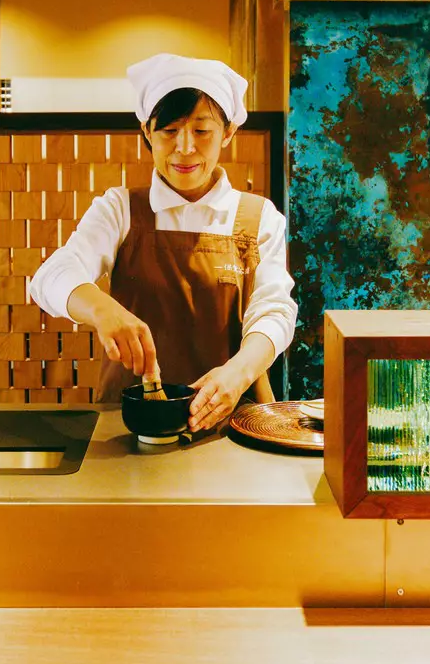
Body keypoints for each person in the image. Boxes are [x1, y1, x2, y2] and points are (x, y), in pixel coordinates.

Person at [26, 53, 296, 431]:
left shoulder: (258, 216)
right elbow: (51, 275)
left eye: (202, 131)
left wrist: (238, 373)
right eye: (169, 131)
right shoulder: (120, 209)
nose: (185, 148)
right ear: (146, 132)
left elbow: (275, 312)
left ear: (228, 132)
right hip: (132, 429)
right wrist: (102, 309)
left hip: (234, 425)